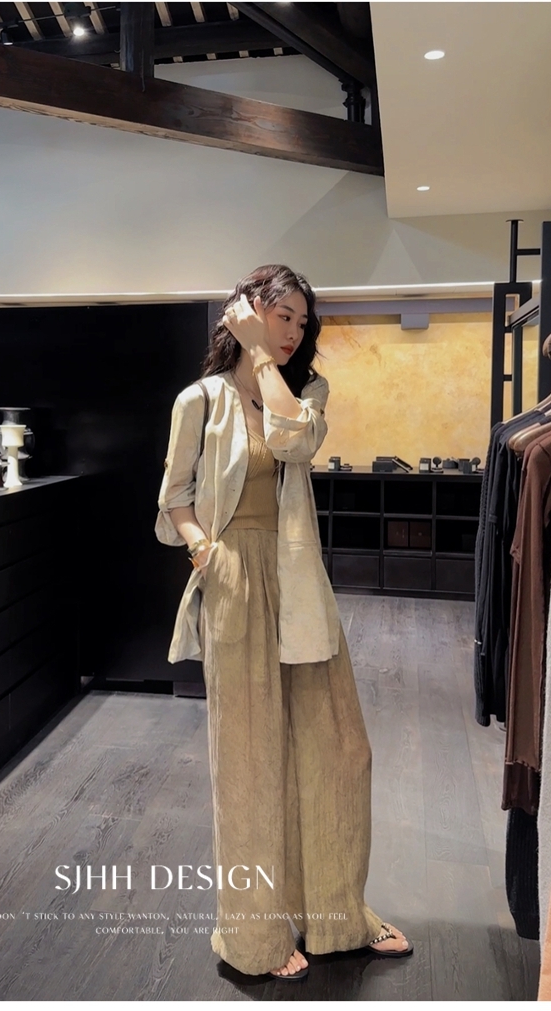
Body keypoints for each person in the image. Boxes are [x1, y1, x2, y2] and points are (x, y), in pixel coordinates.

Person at [155, 264, 413, 981]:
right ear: (247, 311)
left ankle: (337, 913)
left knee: (340, 748)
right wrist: (206, 551)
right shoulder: (199, 400)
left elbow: (296, 440)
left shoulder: (305, 392)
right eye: (283, 317)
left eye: (303, 321)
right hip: (235, 577)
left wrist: (264, 360)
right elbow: (173, 498)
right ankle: (255, 937)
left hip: (298, 579)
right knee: (249, 762)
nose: (296, 331)